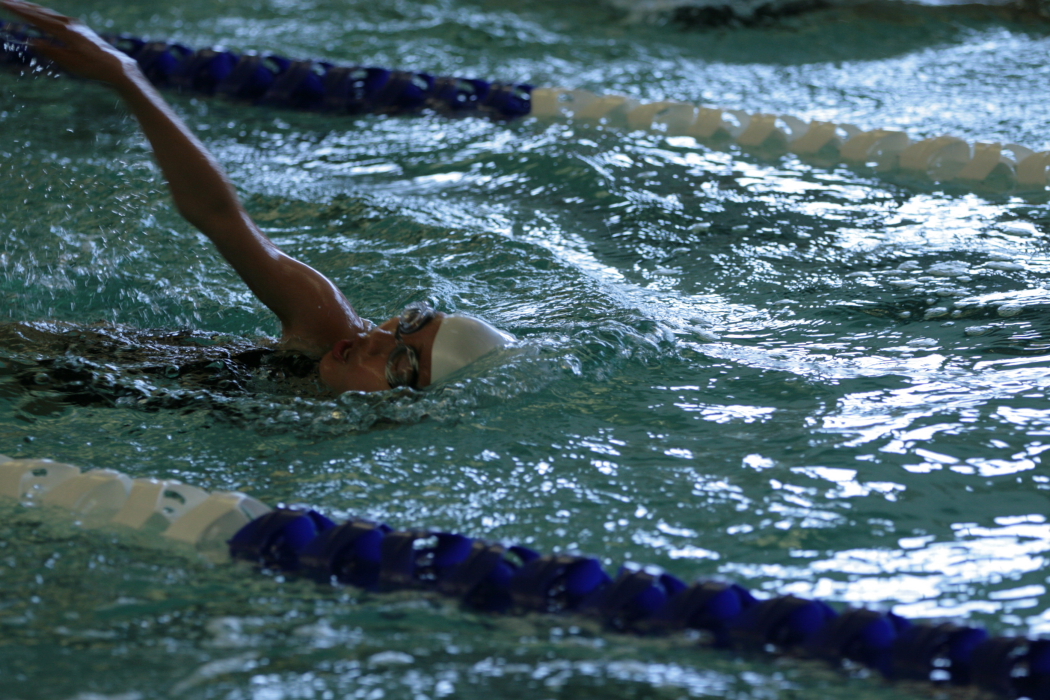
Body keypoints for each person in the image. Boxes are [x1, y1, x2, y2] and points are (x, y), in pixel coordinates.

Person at [0, 0, 512, 394]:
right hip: (64, 361)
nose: (374, 340)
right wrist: (128, 77)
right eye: (406, 325)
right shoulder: (323, 325)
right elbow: (219, 215)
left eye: (401, 363)